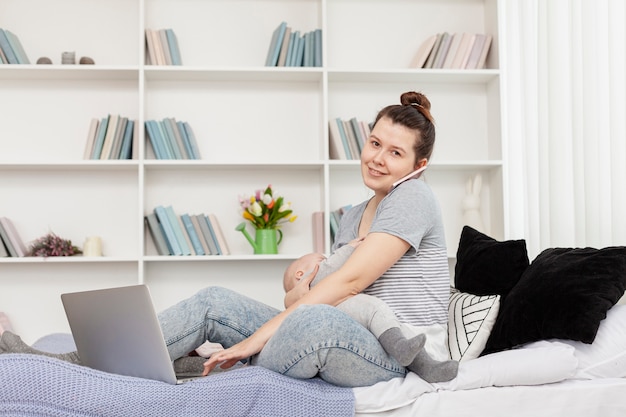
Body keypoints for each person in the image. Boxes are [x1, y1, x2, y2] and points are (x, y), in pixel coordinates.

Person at [0, 91, 456, 388]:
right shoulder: (354, 214)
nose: (378, 158)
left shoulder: (412, 197)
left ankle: (137, 368)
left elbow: (349, 285)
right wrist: (298, 284)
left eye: (395, 152)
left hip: (396, 354)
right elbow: (307, 297)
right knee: (215, 301)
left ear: (419, 165)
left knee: (307, 324)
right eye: (375, 143)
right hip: (339, 329)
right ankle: (86, 360)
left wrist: (251, 340)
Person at [283, 238, 457, 382]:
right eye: (321, 260)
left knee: (395, 326)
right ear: (300, 274)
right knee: (375, 308)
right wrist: (350, 249)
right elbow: (326, 270)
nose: (326, 261)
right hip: (335, 309)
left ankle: (427, 366)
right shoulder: (307, 282)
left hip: (344, 311)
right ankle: (401, 348)